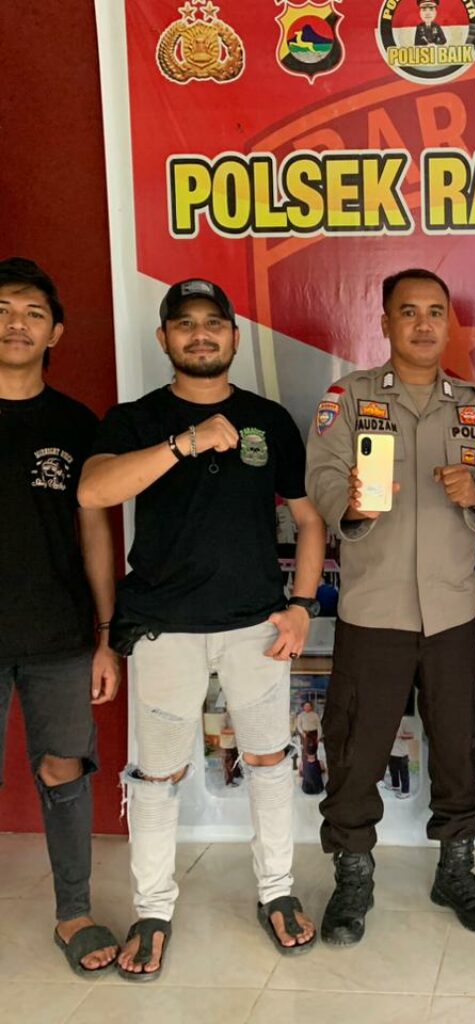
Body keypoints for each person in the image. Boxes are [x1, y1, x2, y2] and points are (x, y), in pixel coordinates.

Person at [78, 278, 326, 978]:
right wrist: (184, 443)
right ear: (164, 338)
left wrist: (303, 604)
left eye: (213, 323)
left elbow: (308, 519)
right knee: (157, 777)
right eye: (184, 324)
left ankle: (276, 893)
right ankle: (152, 909)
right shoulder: (135, 419)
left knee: (270, 762)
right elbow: (94, 491)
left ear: (234, 338)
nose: (200, 334)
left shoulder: (267, 420)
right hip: (164, 628)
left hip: (256, 627)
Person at [305, 268, 475, 946]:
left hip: (451, 611)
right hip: (375, 611)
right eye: (408, 312)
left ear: (449, 323)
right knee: (356, 749)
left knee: (459, 743)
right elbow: (322, 475)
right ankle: (353, 877)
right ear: (386, 323)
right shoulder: (350, 397)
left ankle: (456, 870)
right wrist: (349, 506)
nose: (423, 324)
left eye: (434, 312)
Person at [0, 257, 121, 977]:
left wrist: (106, 637)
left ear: (55, 333)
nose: (15, 324)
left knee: (63, 767)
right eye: (2, 311)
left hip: (58, 634)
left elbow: (96, 535)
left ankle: (73, 910)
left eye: (32, 313)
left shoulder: (76, 425)